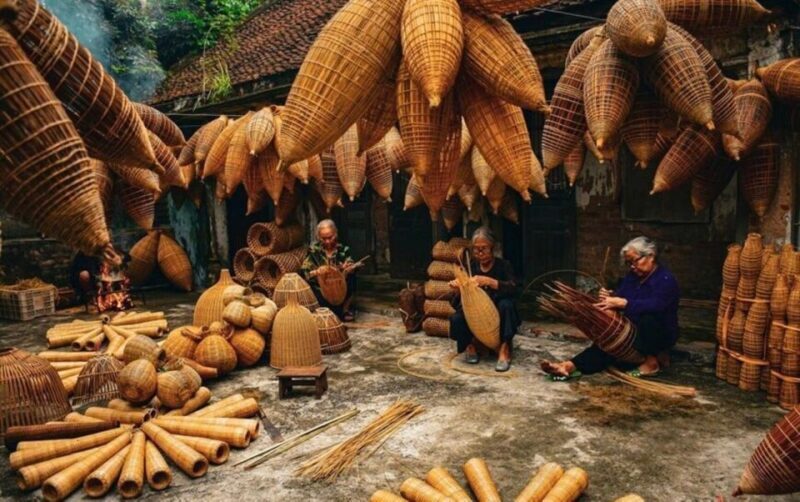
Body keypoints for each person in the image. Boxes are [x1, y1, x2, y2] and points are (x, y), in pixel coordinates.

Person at [540, 236, 680, 380]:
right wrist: (610, 296)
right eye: (629, 263)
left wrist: (625, 303)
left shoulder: (665, 279)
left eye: (635, 261)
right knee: (609, 344)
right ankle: (568, 366)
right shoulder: (633, 276)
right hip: (634, 331)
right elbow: (622, 294)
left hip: (659, 332)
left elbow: (656, 305)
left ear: (651, 256)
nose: (632, 266)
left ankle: (651, 362)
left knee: (648, 318)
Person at [448, 227, 521, 372]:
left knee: (507, 305)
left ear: (492, 248)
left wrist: (490, 281)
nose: (480, 253)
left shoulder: (503, 265)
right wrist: (459, 290)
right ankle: (470, 346)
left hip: (496, 310)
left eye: (484, 249)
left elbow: (514, 288)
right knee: (456, 318)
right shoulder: (471, 267)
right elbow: (456, 302)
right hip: (476, 312)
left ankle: (504, 349)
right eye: (476, 250)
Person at [301, 219, 362, 321]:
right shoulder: (314, 250)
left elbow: (350, 262)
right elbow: (305, 271)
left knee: (352, 277)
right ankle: (324, 309)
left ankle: (344, 310)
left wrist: (348, 268)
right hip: (322, 289)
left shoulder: (343, 249)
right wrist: (317, 272)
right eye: (323, 238)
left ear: (336, 234)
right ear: (318, 237)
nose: (327, 241)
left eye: (330, 237)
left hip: (340, 288)